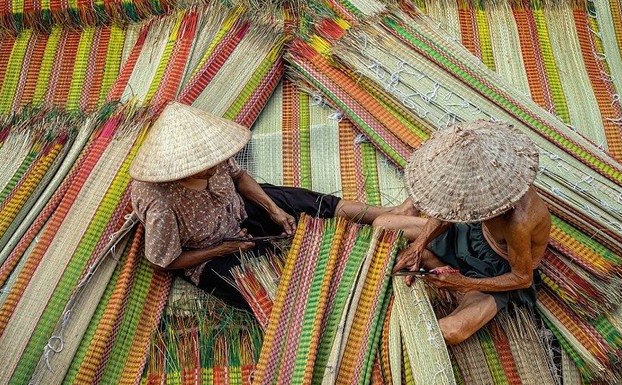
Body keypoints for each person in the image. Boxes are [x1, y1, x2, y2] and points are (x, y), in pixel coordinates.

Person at [129, 102, 414, 309]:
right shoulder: (162, 204)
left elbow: (238, 177)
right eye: (205, 168)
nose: (216, 167)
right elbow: (163, 262)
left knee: (306, 203)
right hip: (209, 254)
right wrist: (221, 249)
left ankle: (389, 214)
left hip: (238, 209)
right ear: (179, 169)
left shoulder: (211, 157)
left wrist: (272, 209)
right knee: (270, 289)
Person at [372, 120, 551, 345]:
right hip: (472, 235)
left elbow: (522, 278)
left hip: (498, 270)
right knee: (383, 223)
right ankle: (431, 260)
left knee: (449, 332)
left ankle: (458, 286)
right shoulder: (476, 186)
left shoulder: (518, 221)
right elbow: (451, 206)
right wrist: (418, 246)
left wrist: (464, 283)